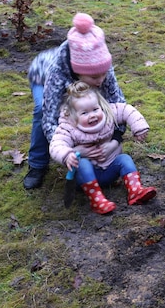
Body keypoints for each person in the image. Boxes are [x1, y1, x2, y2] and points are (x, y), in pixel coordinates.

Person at [23, 13, 126, 190]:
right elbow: (49, 120)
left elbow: (118, 105)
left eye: (103, 74)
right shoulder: (57, 72)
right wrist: (71, 151)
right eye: (95, 77)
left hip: (77, 75)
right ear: (78, 73)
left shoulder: (102, 68)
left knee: (94, 105)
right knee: (41, 110)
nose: (101, 80)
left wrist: (115, 141)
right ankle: (37, 164)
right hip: (42, 74)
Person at [49, 81, 157, 214]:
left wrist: (139, 127)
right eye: (84, 113)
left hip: (109, 171)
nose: (92, 115)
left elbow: (126, 110)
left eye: (95, 109)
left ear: (101, 106)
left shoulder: (108, 113)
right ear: (72, 115)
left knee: (124, 158)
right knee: (83, 164)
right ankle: (97, 200)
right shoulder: (68, 127)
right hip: (84, 178)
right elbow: (57, 144)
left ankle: (136, 191)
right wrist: (67, 155)